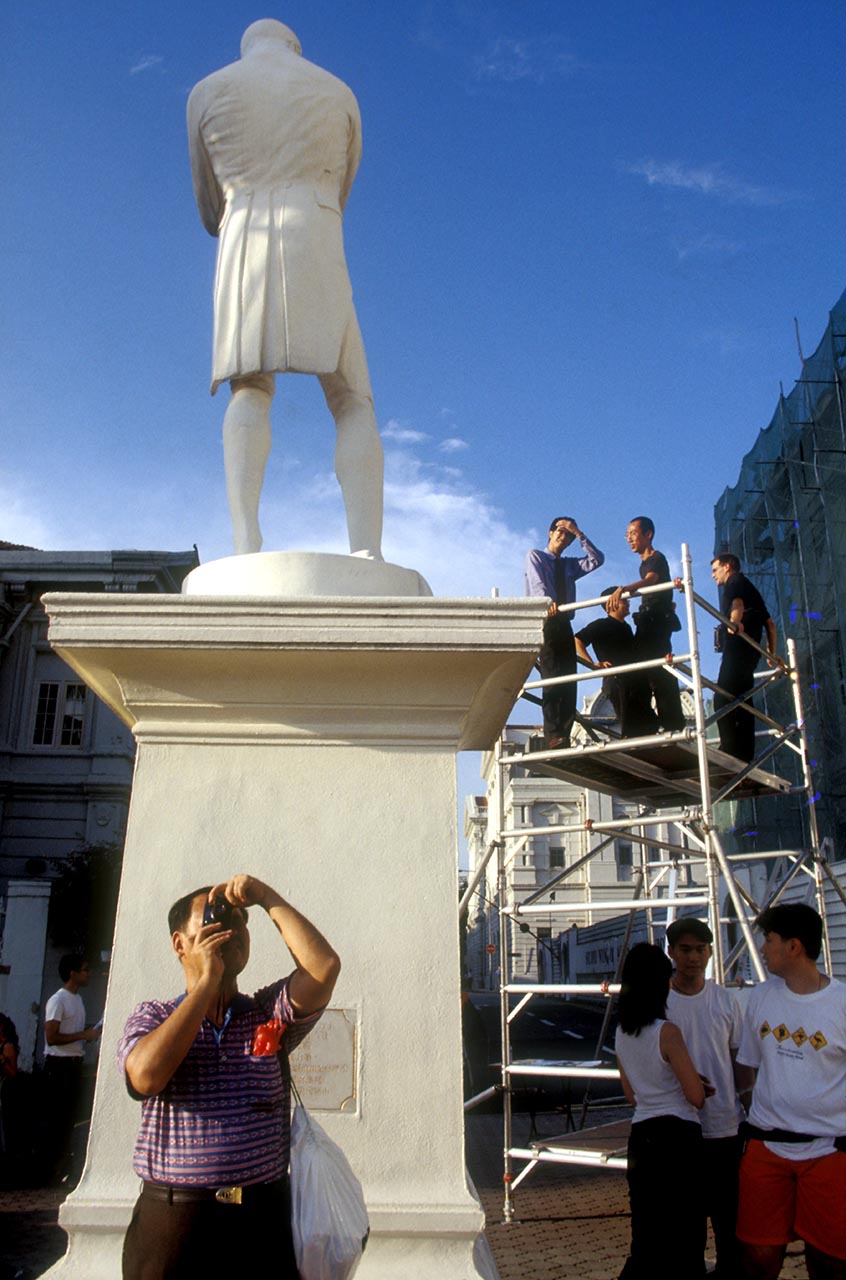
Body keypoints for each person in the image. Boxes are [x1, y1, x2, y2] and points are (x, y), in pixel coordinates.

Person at [187, 20, 384, 559]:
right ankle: (366, 546)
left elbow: (208, 206)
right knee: (352, 398)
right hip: (315, 229)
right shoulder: (337, 90)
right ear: (295, 46)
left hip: (243, 233)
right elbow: (343, 187)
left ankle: (245, 536)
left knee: (249, 387)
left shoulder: (207, 91)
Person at [118, 873, 340, 1278]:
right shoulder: (153, 1016)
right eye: (214, 919)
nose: (231, 928)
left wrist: (264, 896)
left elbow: (323, 968)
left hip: (261, 1220)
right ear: (180, 944)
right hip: (173, 1224)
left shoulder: (265, 1012)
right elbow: (146, 1075)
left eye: (239, 921)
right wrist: (206, 983)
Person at [736, 903, 846, 1280]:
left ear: (794, 947)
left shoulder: (841, 1004)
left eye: (769, 940)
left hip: (829, 1152)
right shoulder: (761, 998)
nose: (763, 949)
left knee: (829, 1261)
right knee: (759, 1258)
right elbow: (747, 1066)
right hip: (766, 1149)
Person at [614, 943, 708, 1279]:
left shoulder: (622, 1032)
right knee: (685, 1234)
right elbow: (695, 1096)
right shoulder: (667, 1033)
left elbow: (631, 1095)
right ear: (660, 983)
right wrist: (697, 1084)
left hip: (641, 1139)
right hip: (678, 1138)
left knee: (647, 1235)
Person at [666, 917, 753, 1280]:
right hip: (678, 1130)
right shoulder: (660, 1003)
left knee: (730, 1223)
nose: (693, 958)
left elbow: (740, 1062)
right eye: (685, 950)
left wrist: (751, 1111)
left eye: (700, 950)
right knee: (686, 1228)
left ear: (710, 952)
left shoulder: (726, 1000)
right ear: (671, 952)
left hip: (725, 1128)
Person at [524, 517, 604, 748]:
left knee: (569, 678)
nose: (563, 535)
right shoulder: (536, 556)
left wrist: (579, 534)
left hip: (564, 623)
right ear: (550, 533)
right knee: (552, 678)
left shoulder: (569, 565)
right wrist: (548, 602)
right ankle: (552, 734)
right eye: (560, 530)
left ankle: (564, 735)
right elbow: (539, 584)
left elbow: (596, 560)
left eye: (567, 533)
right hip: (547, 621)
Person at [609, 518, 685, 732]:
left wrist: (624, 589)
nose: (629, 539)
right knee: (645, 671)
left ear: (648, 534)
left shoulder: (656, 558)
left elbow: (652, 580)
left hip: (655, 623)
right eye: (627, 534)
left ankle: (670, 724)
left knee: (657, 671)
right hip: (650, 620)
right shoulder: (644, 563)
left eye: (633, 533)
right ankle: (652, 722)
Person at [711, 554, 779, 763]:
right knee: (743, 700)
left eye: (715, 569)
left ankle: (730, 750)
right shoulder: (751, 588)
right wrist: (771, 653)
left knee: (722, 697)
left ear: (728, 566)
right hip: (751, 652)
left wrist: (734, 623)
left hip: (738, 648)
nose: (713, 575)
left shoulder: (735, 580)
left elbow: (737, 604)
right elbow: (770, 625)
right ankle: (744, 753)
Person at [43, 955, 100, 1182]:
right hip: (59, 1067)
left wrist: (89, 1034)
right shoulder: (58, 1000)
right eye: (84, 970)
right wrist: (83, 1035)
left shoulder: (78, 1000)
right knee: (57, 1119)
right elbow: (51, 1037)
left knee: (71, 1118)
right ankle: (52, 1169)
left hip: (74, 1064)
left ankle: (65, 1167)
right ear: (72, 973)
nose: (88, 974)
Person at [574, 587, 660, 738]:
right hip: (618, 681)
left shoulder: (626, 628)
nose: (628, 603)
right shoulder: (602, 625)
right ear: (612, 604)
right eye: (624, 600)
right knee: (632, 726)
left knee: (649, 725)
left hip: (635, 681)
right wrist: (592, 664)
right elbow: (578, 640)